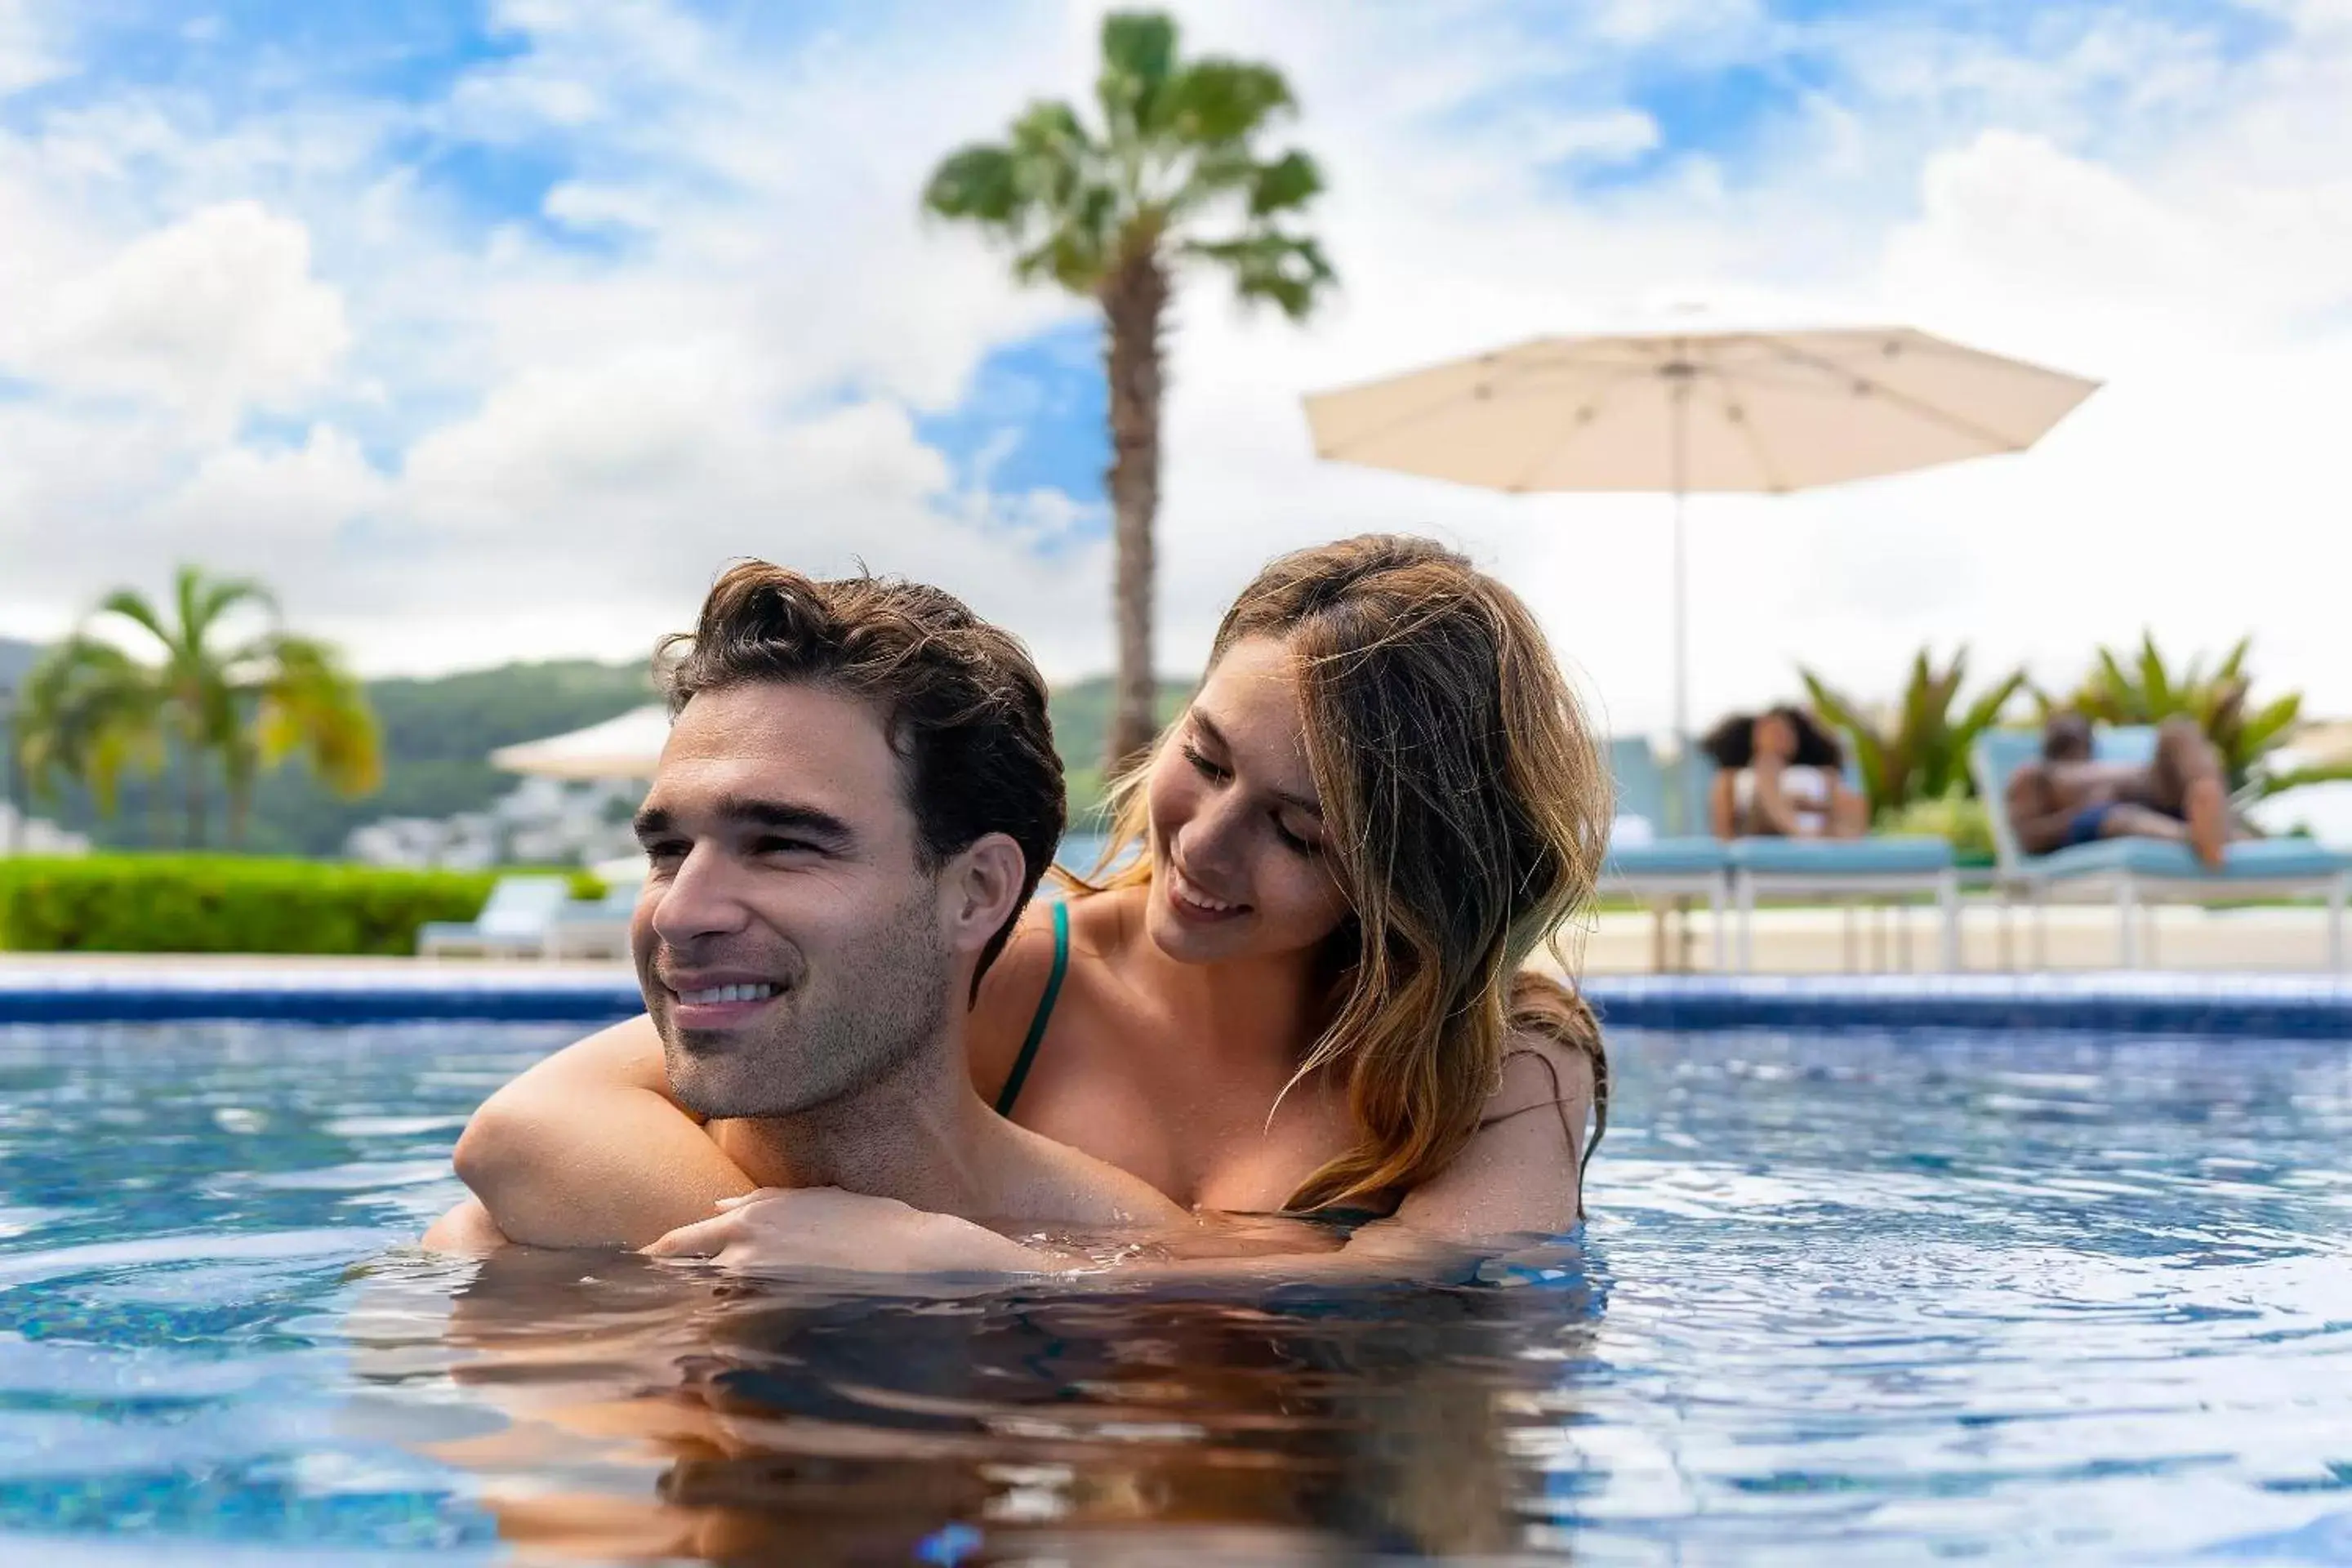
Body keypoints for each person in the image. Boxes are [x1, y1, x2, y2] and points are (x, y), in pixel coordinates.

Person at [444, 534, 1610, 1273]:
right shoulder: (1020, 959)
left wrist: (967, 1265)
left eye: (1298, 831)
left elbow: (1449, 1280)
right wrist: (803, 1274)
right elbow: (538, 1125)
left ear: (1412, 873)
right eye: (1202, 760)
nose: (1201, 842)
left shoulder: (1494, 1057)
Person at [423, 560, 1182, 1259]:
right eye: (668, 851)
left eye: (782, 843)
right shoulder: (507, 1253)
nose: (679, 914)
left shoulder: (1124, 1254)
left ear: (977, 891)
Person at [2004, 711, 2237, 869]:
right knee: (2122, 818)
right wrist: (2081, 811)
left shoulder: (2104, 765)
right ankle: (2205, 838)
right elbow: (2028, 837)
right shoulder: (2035, 774)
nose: (2071, 725)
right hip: (2096, 818)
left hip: (2159, 796)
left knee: (2177, 731)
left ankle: (2205, 794)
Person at [1701, 706, 1867, 840]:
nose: (1777, 736)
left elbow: (1854, 814)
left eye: (1784, 731)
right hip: (1757, 833)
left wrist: (1810, 806)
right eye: (1769, 730)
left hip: (1820, 836)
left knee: (1849, 802)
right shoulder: (1730, 779)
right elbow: (1723, 835)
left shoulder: (1823, 776)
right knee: (1767, 764)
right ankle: (1798, 833)